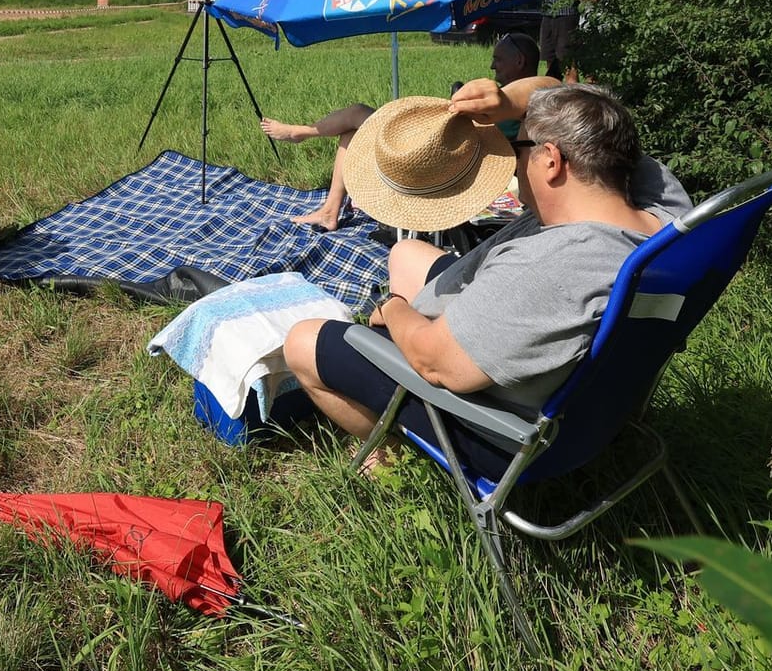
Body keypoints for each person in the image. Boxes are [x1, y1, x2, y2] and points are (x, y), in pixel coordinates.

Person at [282, 84, 688, 477]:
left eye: (518, 147)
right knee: (406, 253)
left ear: (551, 160)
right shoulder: (665, 206)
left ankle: (392, 453)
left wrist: (392, 309)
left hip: (502, 430)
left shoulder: (548, 270)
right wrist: (507, 101)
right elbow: (568, 96)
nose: (512, 160)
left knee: (303, 341)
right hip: (588, 394)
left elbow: (435, 363)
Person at [260, 32, 541, 231]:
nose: (492, 66)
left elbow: (544, 88)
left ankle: (302, 133)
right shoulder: (502, 97)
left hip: (461, 160)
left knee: (357, 113)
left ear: (519, 62)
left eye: (498, 60)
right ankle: (330, 209)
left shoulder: (525, 105)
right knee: (351, 132)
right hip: (454, 148)